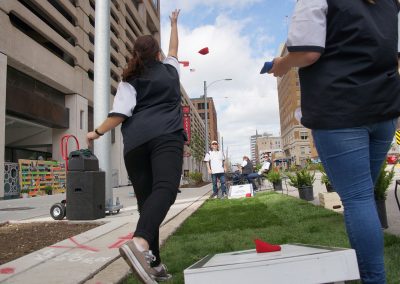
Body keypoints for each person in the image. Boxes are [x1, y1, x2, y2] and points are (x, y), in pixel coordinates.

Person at [270, 1, 400, 282]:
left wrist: (282, 64)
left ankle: (373, 279)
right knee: (363, 197)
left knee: (358, 199)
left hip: (341, 110)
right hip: (385, 109)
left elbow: (307, 52)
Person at [87, 10, 184, 283]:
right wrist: (174, 24)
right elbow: (175, 48)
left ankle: (154, 265)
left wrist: (96, 133)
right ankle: (140, 244)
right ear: (158, 54)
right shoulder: (170, 70)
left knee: (148, 204)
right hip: (166, 136)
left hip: (135, 145)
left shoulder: (129, 80)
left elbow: (119, 115)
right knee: (165, 189)